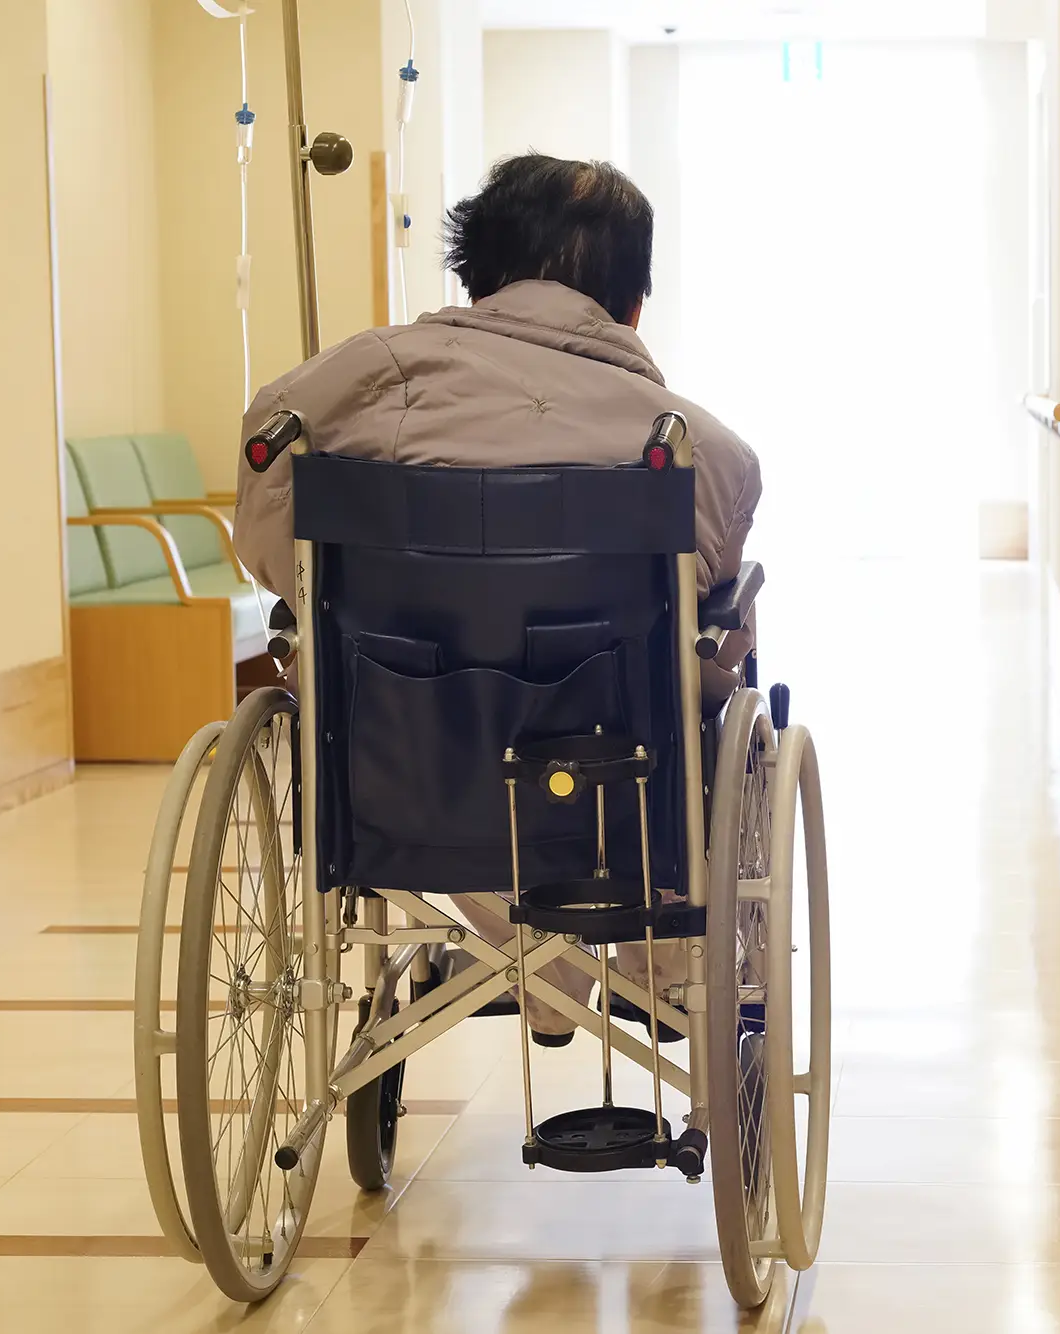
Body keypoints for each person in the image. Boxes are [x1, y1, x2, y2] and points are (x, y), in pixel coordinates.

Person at [233, 153, 763, 1042]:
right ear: (633, 303)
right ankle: (652, 962)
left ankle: (527, 947)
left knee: (395, 709)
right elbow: (704, 621)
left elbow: (271, 557)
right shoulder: (705, 451)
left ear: (474, 277)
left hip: (401, 777)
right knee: (699, 672)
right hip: (610, 784)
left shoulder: (324, 400)